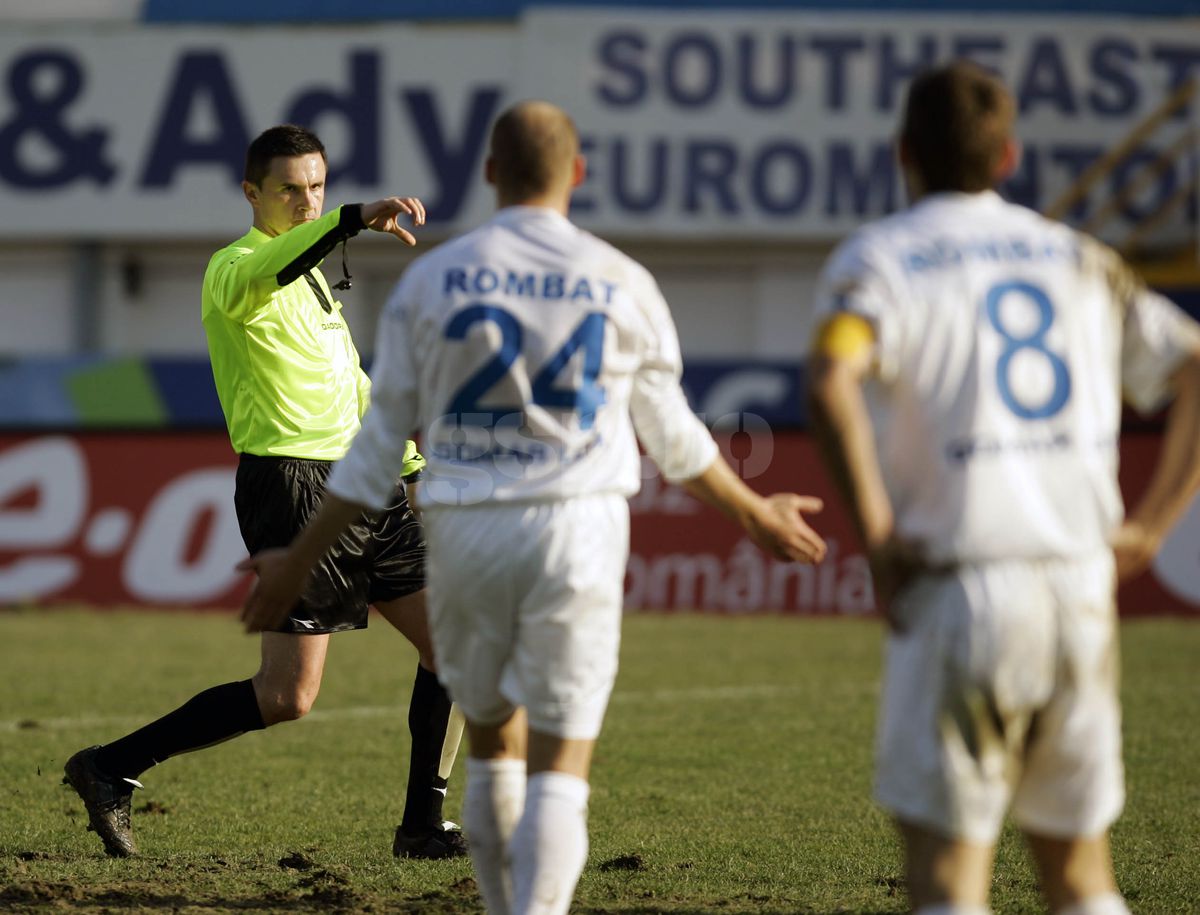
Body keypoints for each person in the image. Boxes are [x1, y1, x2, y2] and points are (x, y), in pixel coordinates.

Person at [239, 100, 828, 915]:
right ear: (578, 174)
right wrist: (755, 513)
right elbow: (675, 437)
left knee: (496, 748)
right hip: (577, 528)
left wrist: (300, 558)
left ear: (488, 175)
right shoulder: (620, 278)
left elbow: (376, 440)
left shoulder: (436, 279)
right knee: (560, 762)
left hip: (471, 527)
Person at [807, 61, 1200, 915]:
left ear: (903, 151)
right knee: (1081, 875)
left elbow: (831, 379)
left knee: (949, 882)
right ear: (1010, 156)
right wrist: (1153, 524)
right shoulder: (1081, 259)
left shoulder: (883, 258)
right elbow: (1194, 363)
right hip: (1078, 588)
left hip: (962, 590)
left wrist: (875, 535)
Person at [64, 124, 467, 861]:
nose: (307, 201)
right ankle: (109, 765)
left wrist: (410, 465)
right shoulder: (236, 268)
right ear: (252, 193)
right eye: (291, 188)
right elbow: (284, 254)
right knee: (288, 698)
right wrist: (352, 215)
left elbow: (350, 385)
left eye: (317, 186)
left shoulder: (312, 277)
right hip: (293, 487)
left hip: (364, 481)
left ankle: (421, 826)